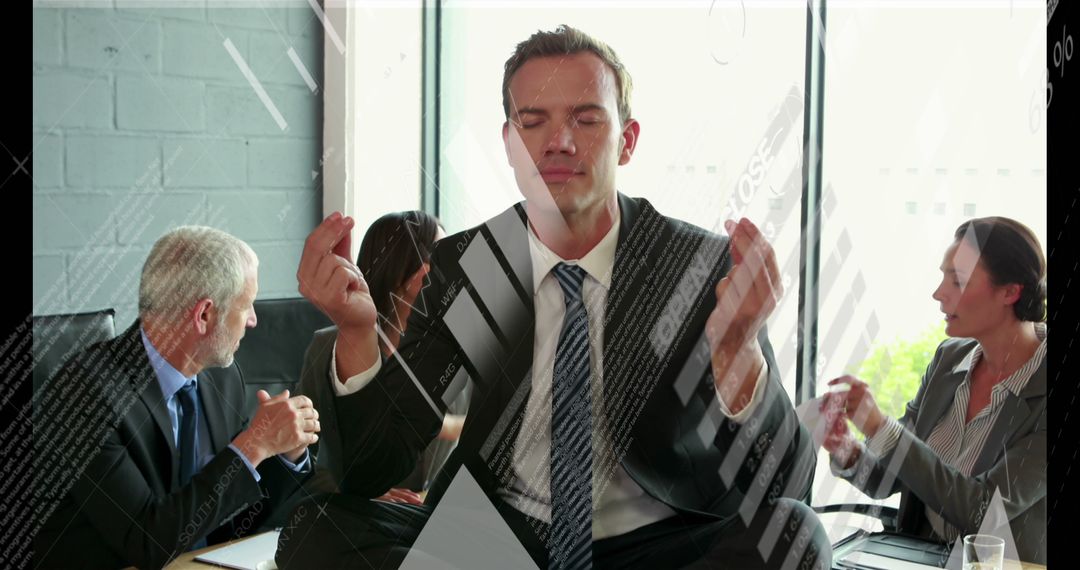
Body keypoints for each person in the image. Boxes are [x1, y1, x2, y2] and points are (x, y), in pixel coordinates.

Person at [281, 25, 829, 570]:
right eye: (533, 121)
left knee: (796, 536)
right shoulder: (473, 266)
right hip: (499, 546)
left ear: (628, 140)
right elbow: (371, 471)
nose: (558, 142)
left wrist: (740, 353)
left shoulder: (694, 267)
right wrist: (357, 334)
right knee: (315, 529)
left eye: (586, 119)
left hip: (654, 542)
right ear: (510, 145)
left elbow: (788, 485)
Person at [34, 226, 319, 569]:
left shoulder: (222, 376)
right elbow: (147, 542)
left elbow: (230, 513)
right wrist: (253, 445)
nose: (254, 320)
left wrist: (285, 452)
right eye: (247, 306)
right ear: (203, 315)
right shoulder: (81, 394)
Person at [820, 216, 1047, 564]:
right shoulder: (948, 361)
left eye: (956, 281)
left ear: (1010, 292)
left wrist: (883, 428)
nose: (938, 293)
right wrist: (846, 448)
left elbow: (982, 511)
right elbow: (888, 478)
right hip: (917, 557)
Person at [298, 210, 468, 503]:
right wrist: (360, 495)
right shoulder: (328, 347)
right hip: (364, 517)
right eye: (444, 258)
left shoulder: (460, 344)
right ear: (417, 276)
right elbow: (306, 452)